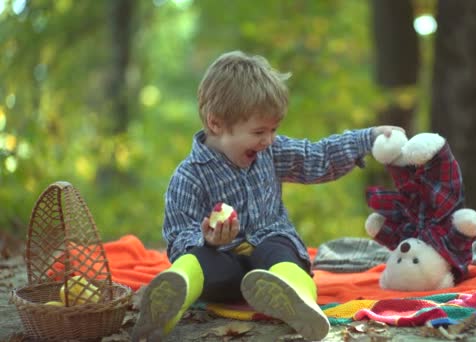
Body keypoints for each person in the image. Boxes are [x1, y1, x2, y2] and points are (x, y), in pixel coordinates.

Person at [132, 50, 404, 341]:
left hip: (269, 251)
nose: (269, 139)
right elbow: (177, 233)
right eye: (259, 131)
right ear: (216, 124)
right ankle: (171, 298)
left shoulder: (271, 152)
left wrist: (367, 138)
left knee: (282, 249)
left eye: (274, 129)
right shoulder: (189, 176)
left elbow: (317, 156)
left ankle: (297, 297)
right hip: (223, 264)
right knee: (199, 259)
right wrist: (206, 240)